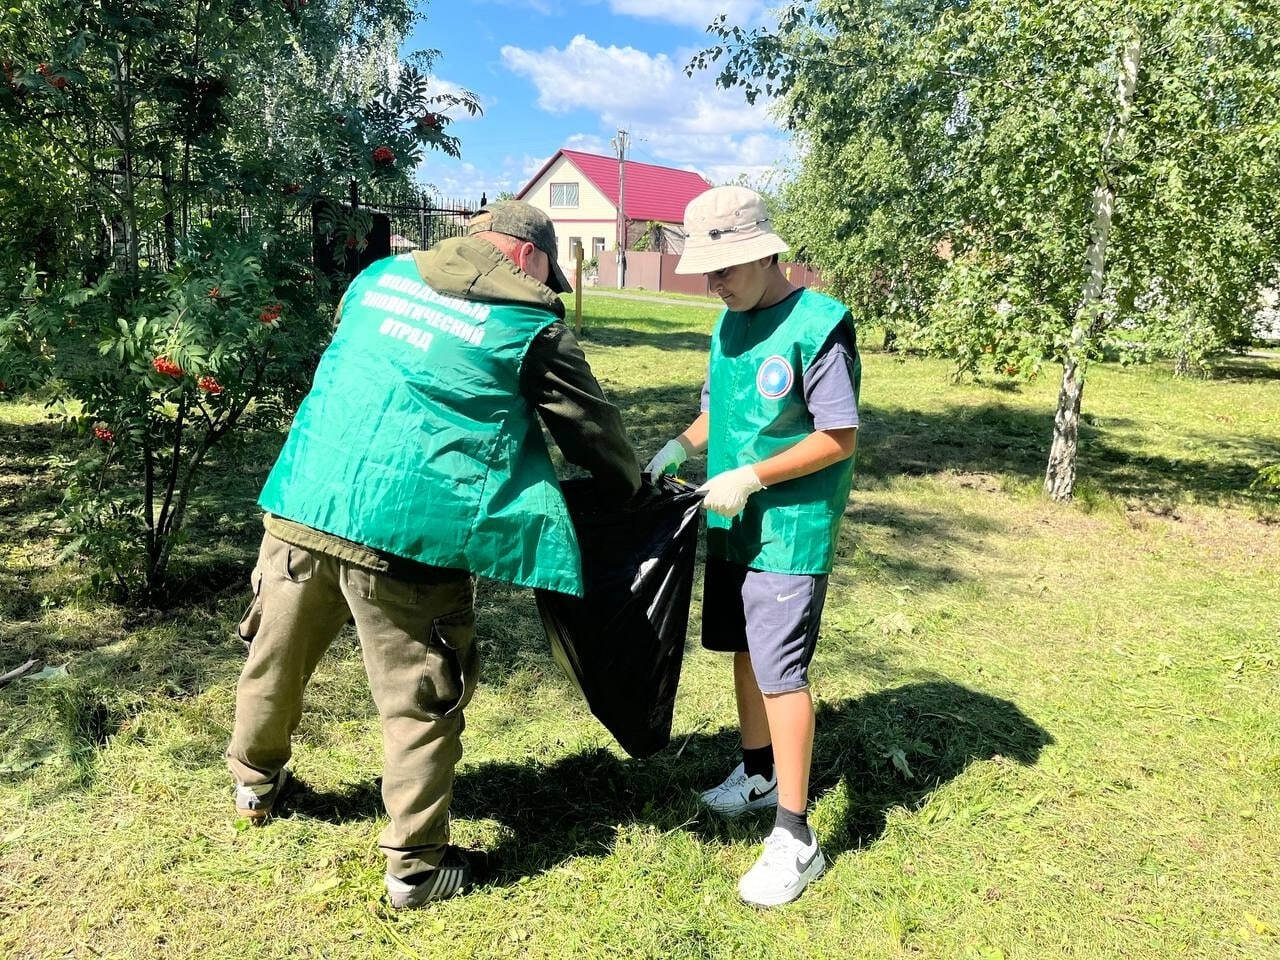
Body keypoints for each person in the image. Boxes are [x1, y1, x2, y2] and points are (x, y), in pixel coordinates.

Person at [226, 201, 641, 909]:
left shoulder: (378, 279)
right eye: (549, 273)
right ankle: (416, 869)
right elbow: (591, 431)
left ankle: (254, 784)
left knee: (276, 653)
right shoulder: (531, 324)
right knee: (421, 697)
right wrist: (629, 489)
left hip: (307, 496)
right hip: (411, 531)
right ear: (530, 257)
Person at [645, 186, 860, 907]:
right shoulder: (725, 324)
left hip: (788, 530)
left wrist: (752, 475)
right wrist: (682, 444)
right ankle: (758, 770)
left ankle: (796, 837)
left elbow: (838, 438)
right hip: (733, 522)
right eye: (707, 271)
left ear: (767, 253)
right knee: (744, 653)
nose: (715, 283)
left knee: (782, 674)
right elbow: (716, 411)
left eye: (726, 269)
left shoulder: (818, 325)